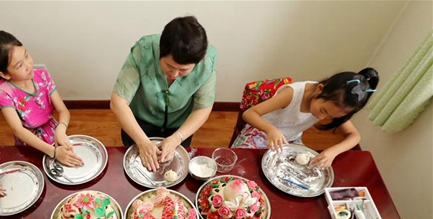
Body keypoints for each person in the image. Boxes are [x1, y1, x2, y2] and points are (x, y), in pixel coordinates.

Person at [111, 16, 218, 171]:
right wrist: (142, 142)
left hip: (180, 127)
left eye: (183, 70)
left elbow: (202, 108)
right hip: (138, 123)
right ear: (160, 50)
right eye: (169, 66)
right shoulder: (144, 50)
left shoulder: (207, 63)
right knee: (135, 169)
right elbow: (118, 102)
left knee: (172, 171)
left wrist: (177, 138)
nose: (174, 74)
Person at [232, 68, 379, 168]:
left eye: (330, 116)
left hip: (290, 140)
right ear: (319, 89)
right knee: (241, 167)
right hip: (260, 132)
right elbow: (249, 114)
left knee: (303, 173)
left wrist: (332, 152)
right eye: (323, 110)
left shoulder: (335, 105)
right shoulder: (292, 94)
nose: (322, 117)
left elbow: (355, 136)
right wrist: (271, 129)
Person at [0, 30, 82, 167]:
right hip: (29, 142)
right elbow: (19, 130)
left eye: (26, 55)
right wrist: (53, 152)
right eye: (19, 65)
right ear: (5, 74)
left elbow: (63, 111)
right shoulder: (3, 92)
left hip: (53, 132)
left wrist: (61, 129)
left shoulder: (43, 76)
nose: (28, 65)